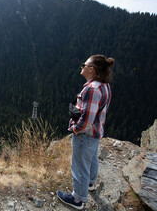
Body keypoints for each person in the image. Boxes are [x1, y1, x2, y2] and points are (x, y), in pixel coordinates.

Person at [57, 54, 115, 210]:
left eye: (84, 64)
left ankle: (77, 199)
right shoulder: (104, 86)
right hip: (96, 132)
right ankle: (90, 183)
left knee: (79, 165)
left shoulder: (92, 89)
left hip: (85, 134)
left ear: (92, 69)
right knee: (91, 157)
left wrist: (75, 129)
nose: (81, 67)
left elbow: (87, 119)